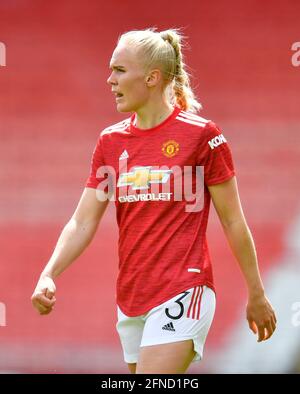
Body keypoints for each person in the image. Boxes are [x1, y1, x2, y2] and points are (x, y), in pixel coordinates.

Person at [31, 28, 277, 374]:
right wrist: (49, 273)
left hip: (185, 289)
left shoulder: (203, 136)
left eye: (119, 70)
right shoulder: (110, 142)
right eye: (110, 69)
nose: (109, 80)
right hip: (131, 298)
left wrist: (256, 294)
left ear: (151, 77)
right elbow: (83, 220)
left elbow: (233, 220)